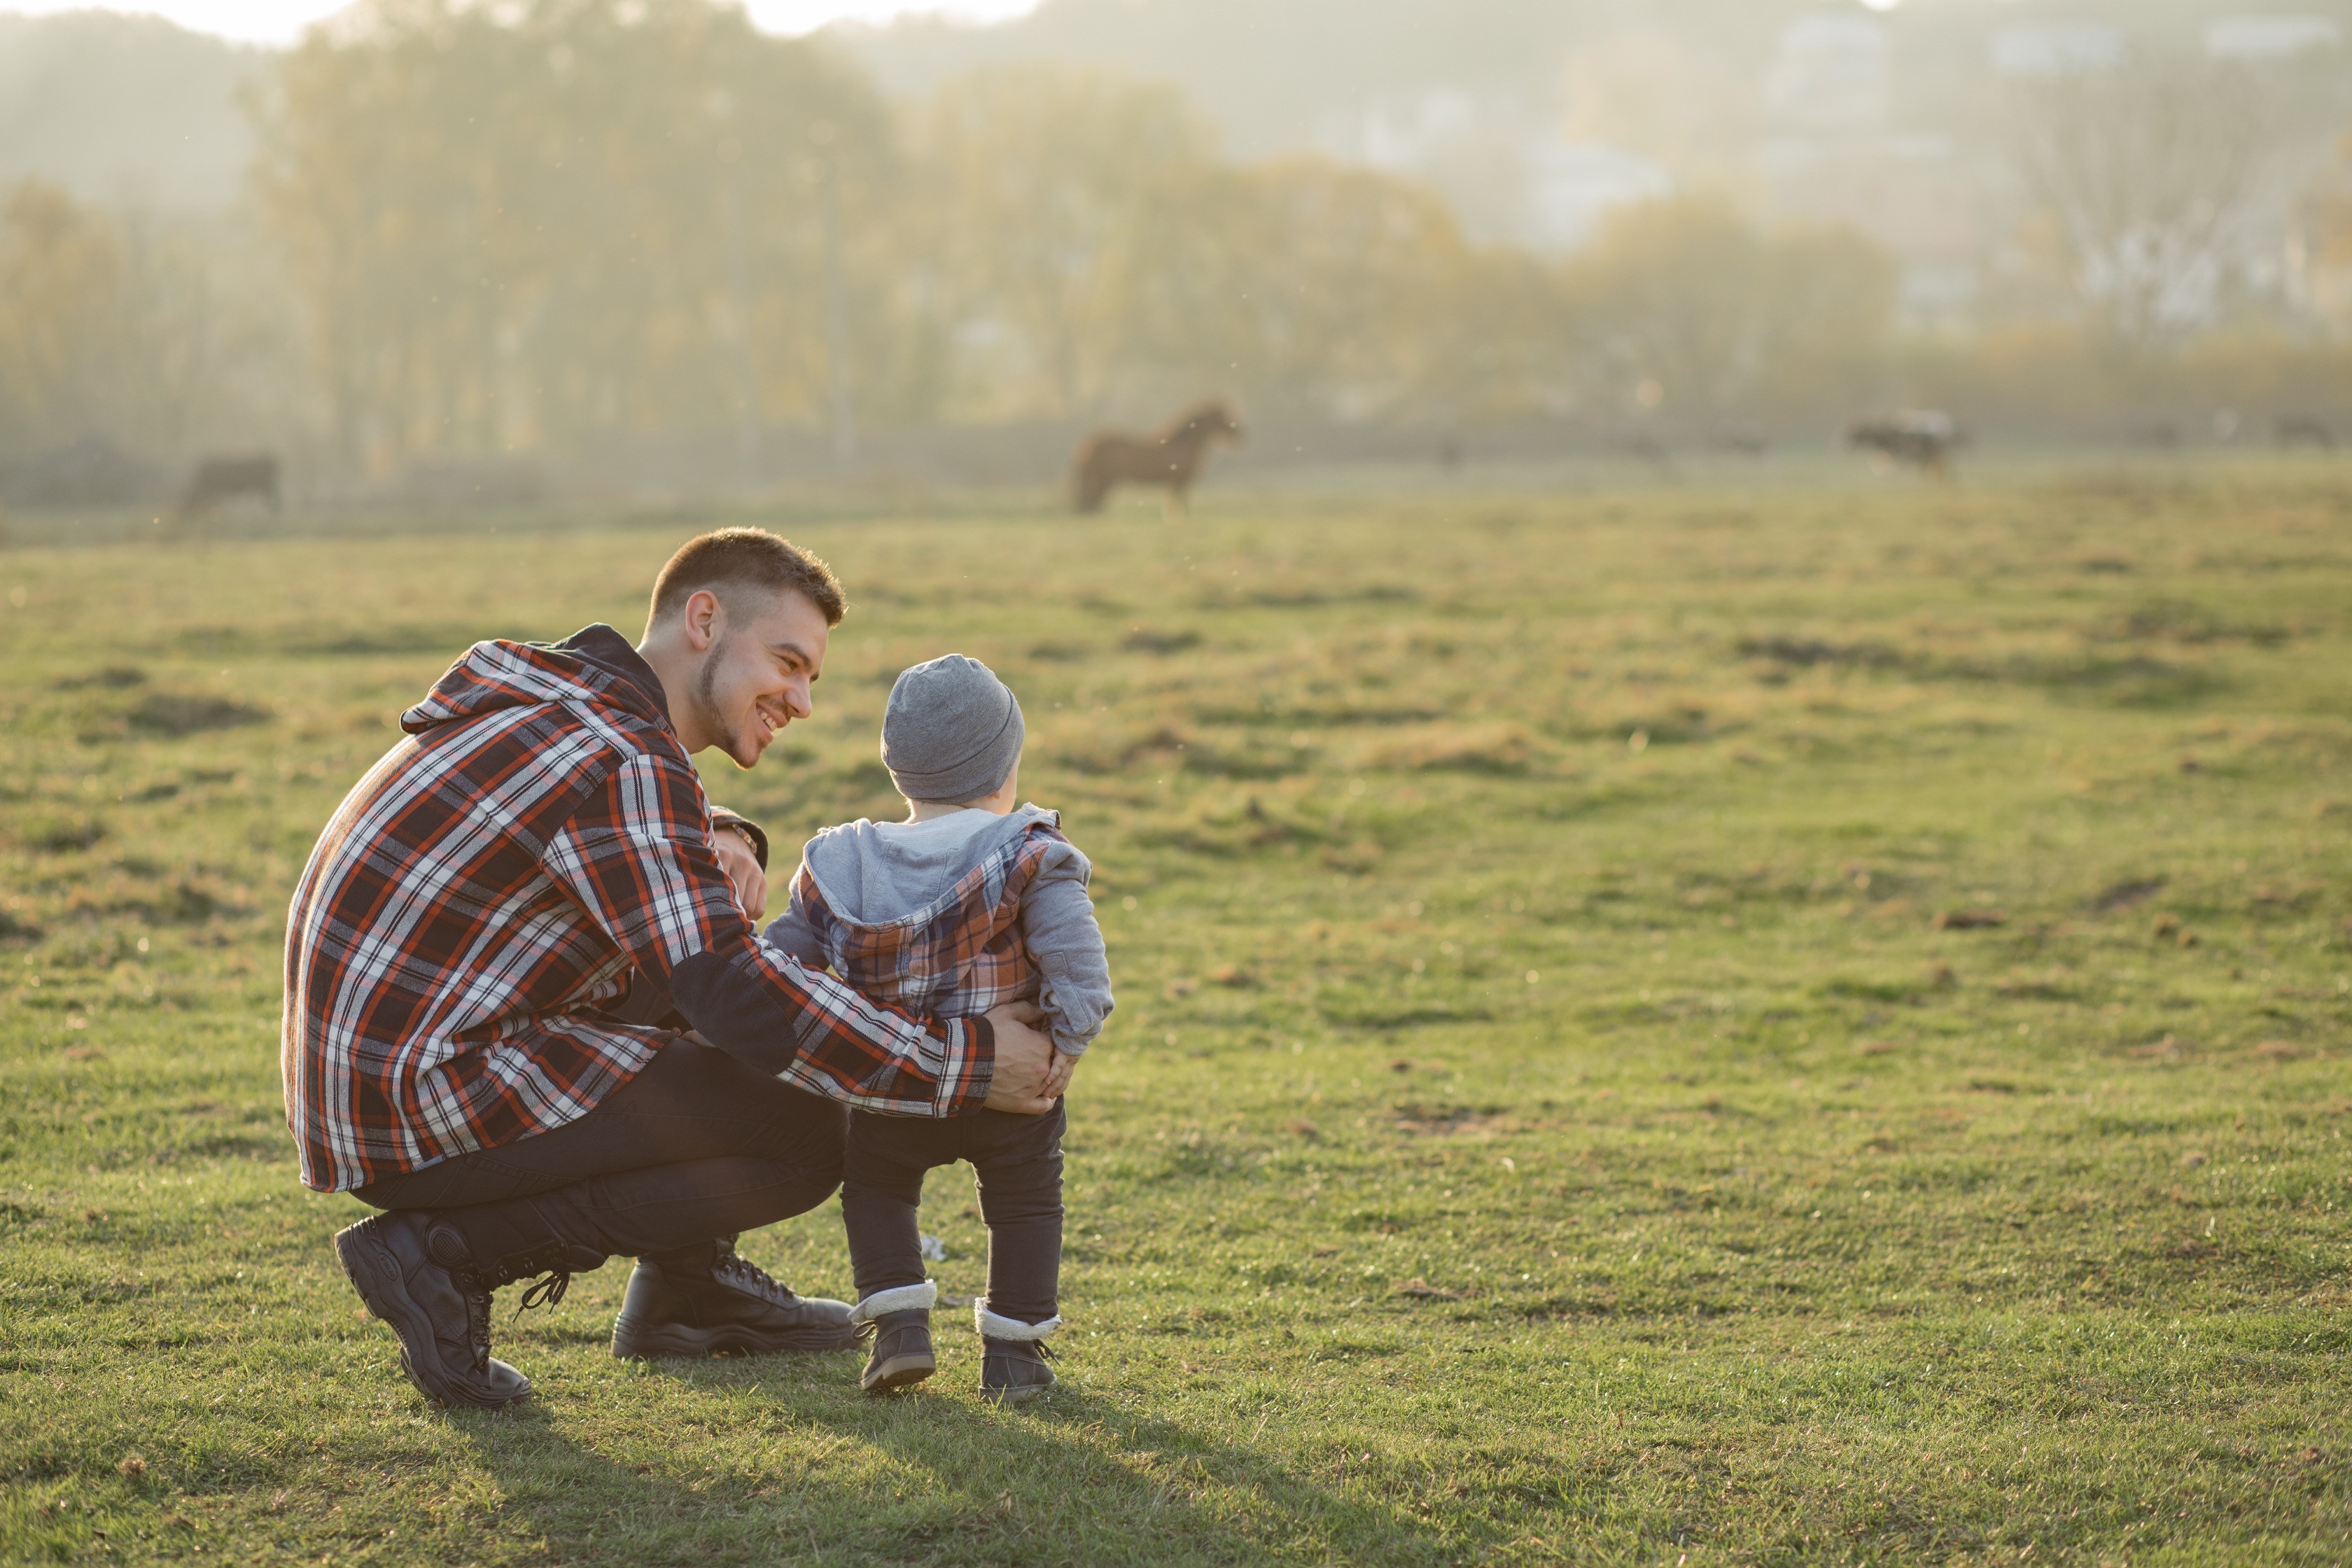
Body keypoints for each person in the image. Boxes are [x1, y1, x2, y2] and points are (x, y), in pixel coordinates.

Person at [280, 529, 1061, 1410]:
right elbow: (738, 997)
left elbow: (603, 845)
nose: (801, 699)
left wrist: (720, 830)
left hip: (381, 1084)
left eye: (812, 677)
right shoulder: (625, 756)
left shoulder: (570, 700)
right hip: (419, 1105)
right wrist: (968, 1059)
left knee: (706, 971)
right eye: (788, 661)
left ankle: (688, 1291)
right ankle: (446, 1252)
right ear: (704, 620)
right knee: (810, 1127)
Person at [763, 654, 1110, 1402]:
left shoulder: (842, 861)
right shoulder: (1028, 852)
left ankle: (899, 1331)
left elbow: (779, 956)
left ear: (901, 772)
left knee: (879, 1192)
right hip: (1012, 1091)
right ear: (1005, 762)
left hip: (897, 1088)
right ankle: (1015, 1356)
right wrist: (1068, 1045)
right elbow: (1077, 961)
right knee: (1024, 1201)